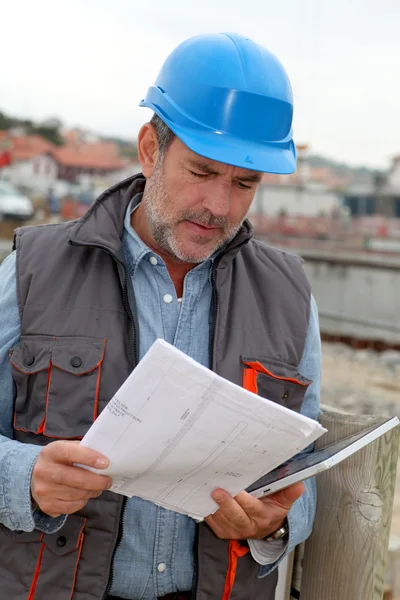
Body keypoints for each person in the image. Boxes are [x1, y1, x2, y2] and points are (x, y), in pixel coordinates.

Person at [0, 32, 321, 600]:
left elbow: (304, 472)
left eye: (245, 183)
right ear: (151, 148)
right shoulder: (31, 270)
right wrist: (23, 479)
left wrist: (274, 522)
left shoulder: (292, 296)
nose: (219, 207)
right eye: (201, 172)